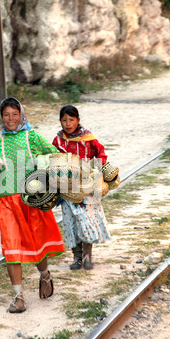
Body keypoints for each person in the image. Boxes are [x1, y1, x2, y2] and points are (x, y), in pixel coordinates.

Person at [0, 97, 65, 313]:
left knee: (36, 245)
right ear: (1, 117)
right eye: (6, 115)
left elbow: (54, 154)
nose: (11, 119)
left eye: (15, 114)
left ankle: (45, 275)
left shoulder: (32, 136)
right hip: (5, 201)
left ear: (21, 115)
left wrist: (38, 168)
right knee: (10, 246)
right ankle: (18, 297)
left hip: (29, 200)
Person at [52, 105, 111, 270]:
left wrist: (98, 170)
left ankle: (87, 256)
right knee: (70, 223)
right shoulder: (58, 141)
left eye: (71, 120)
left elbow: (100, 153)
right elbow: (51, 158)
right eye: (64, 120)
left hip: (86, 188)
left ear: (78, 120)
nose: (68, 123)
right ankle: (76, 257)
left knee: (86, 222)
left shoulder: (87, 138)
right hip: (66, 190)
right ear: (60, 121)